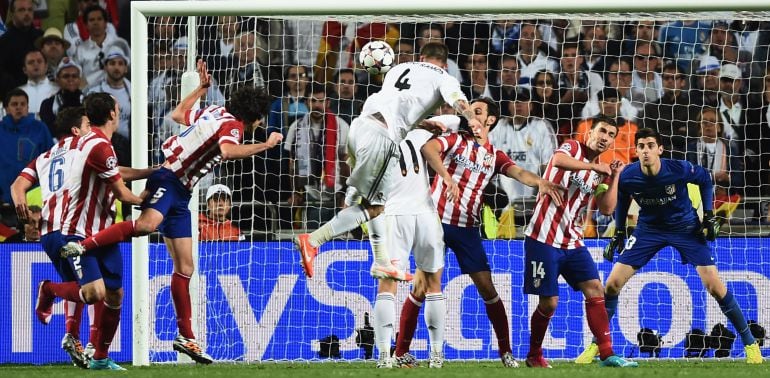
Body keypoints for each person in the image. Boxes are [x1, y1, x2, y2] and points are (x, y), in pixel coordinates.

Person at [60, 60, 282, 364]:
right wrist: (265, 145)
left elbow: (178, 113)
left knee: (186, 267)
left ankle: (186, 337)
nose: (259, 125)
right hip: (170, 179)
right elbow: (229, 151)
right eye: (260, 121)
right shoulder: (233, 126)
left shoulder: (214, 111)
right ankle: (82, 246)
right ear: (255, 117)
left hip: (182, 192)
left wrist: (201, 90)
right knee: (145, 225)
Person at [293, 42, 481, 281]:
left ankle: (382, 261)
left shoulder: (398, 69)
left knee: (371, 200)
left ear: (421, 57)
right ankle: (312, 240)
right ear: (445, 64)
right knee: (374, 208)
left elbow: (397, 106)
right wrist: (471, 119)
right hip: (381, 137)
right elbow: (459, 102)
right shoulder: (446, 78)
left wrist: (424, 123)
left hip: (360, 127)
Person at [581, 128, 763, 364]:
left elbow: (705, 180)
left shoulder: (677, 168)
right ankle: (597, 346)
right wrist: (618, 233)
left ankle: (750, 344)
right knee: (612, 284)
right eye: (642, 147)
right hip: (648, 230)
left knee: (715, 286)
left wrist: (707, 216)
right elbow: (623, 199)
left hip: (685, 228)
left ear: (660, 150)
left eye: (650, 146)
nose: (646, 151)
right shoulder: (628, 176)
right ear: (636, 151)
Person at [419, 97, 565, 368]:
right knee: (422, 287)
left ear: (490, 120)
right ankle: (408, 352)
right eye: (467, 111)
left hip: (467, 229)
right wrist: (447, 177)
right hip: (435, 223)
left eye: (476, 111)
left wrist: (541, 182)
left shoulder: (493, 155)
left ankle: (506, 351)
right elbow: (428, 148)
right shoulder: (455, 139)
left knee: (488, 290)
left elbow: (519, 172)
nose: (469, 114)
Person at [12, 94, 148, 370]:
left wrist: (20, 203)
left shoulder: (45, 156)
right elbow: (114, 175)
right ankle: (53, 296)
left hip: (53, 228)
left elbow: (17, 185)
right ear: (77, 129)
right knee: (91, 289)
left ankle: (78, 338)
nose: (90, 127)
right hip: (73, 226)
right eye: (87, 124)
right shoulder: (83, 146)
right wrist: (151, 181)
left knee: (90, 287)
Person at [523, 116, 637, 368]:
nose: (605, 137)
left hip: (572, 241)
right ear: (590, 133)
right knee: (549, 302)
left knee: (596, 288)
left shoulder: (600, 172)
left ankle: (607, 354)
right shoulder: (573, 148)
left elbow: (607, 209)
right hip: (543, 237)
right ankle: (534, 355)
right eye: (601, 131)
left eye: (611, 134)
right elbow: (557, 161)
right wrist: (593, 168)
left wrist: (614, 176)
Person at [371, 125, 446, 369]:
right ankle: (436, 355)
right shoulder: (420, 134)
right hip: (426, 215)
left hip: (394, 216)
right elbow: (450, 122)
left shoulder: (372, 139)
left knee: (387, 284)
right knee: (433, 284)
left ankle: (384, 356)